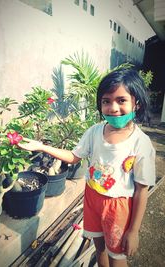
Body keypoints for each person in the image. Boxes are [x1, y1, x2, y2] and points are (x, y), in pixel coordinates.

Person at [18, 68, 156, 267]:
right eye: (106, 101)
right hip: (92, 198)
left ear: (137, 103)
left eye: (121, 100)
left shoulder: (141, 143)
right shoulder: (94, 132)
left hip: (117, 207)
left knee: (117, 257)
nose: (113, 108)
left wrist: (133, 231)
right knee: (99, 248)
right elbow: (74, 157)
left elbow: (142, 190)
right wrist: (41, 146)